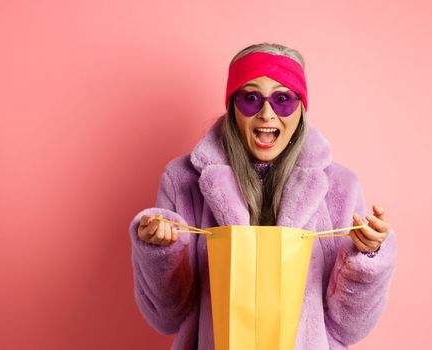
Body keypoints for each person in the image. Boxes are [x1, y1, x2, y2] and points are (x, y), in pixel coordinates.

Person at [128, 42, 397, 349]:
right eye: (251, 98)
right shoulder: (182, 181)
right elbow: (166, 318)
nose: (266, 114)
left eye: (283, 99)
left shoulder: (340, 187)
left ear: (300, 108)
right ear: (232, 105)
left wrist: (367, 257)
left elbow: (350, 327)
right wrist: (159, 252)